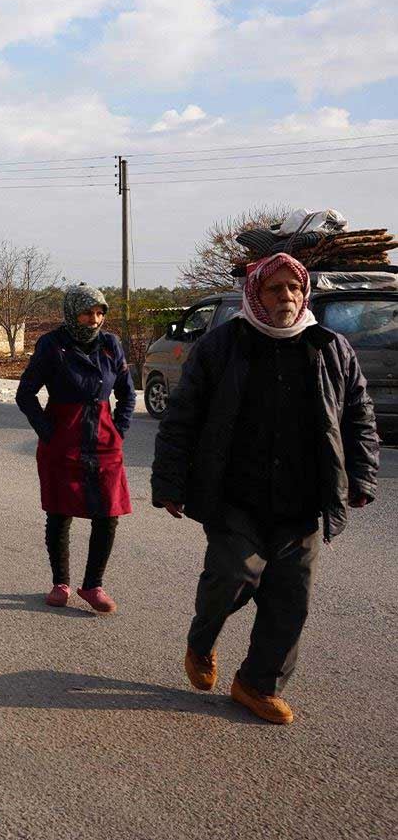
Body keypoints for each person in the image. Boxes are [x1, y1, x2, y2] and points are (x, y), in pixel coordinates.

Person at [152, 253, 380, 724]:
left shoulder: (330, 347)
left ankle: (256, 684)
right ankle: (201, 641)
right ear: (256, 294)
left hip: (302, 498)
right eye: (276, 289)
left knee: (290, 597)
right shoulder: (221, 346)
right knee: (232, 576)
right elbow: (182, 417)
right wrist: (170, 481)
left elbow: (359, 415)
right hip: (235, 495)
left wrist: (361, 476)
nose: (287, 297)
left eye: (294, 288)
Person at [16, 284, 134, 613]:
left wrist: (119, 430)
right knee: (60, 512)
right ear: (71, 313)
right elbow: (25, 393)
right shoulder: (52, 345)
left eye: (99, 313)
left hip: (104, 441)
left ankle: (93, 585)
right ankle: (61, 583)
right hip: (63, 439)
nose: (94, 319)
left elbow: (127, 394)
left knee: (108, 513)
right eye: (86, 313)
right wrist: (48, 432)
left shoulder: (111, 345)